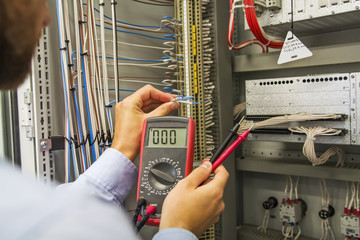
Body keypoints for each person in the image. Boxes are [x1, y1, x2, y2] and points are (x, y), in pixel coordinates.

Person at [0, 1, 229, 240]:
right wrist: (181, 230)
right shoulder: (50, 222)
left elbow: (67, 210)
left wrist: (122, 149)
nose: (47, 18)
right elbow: (60, 219)